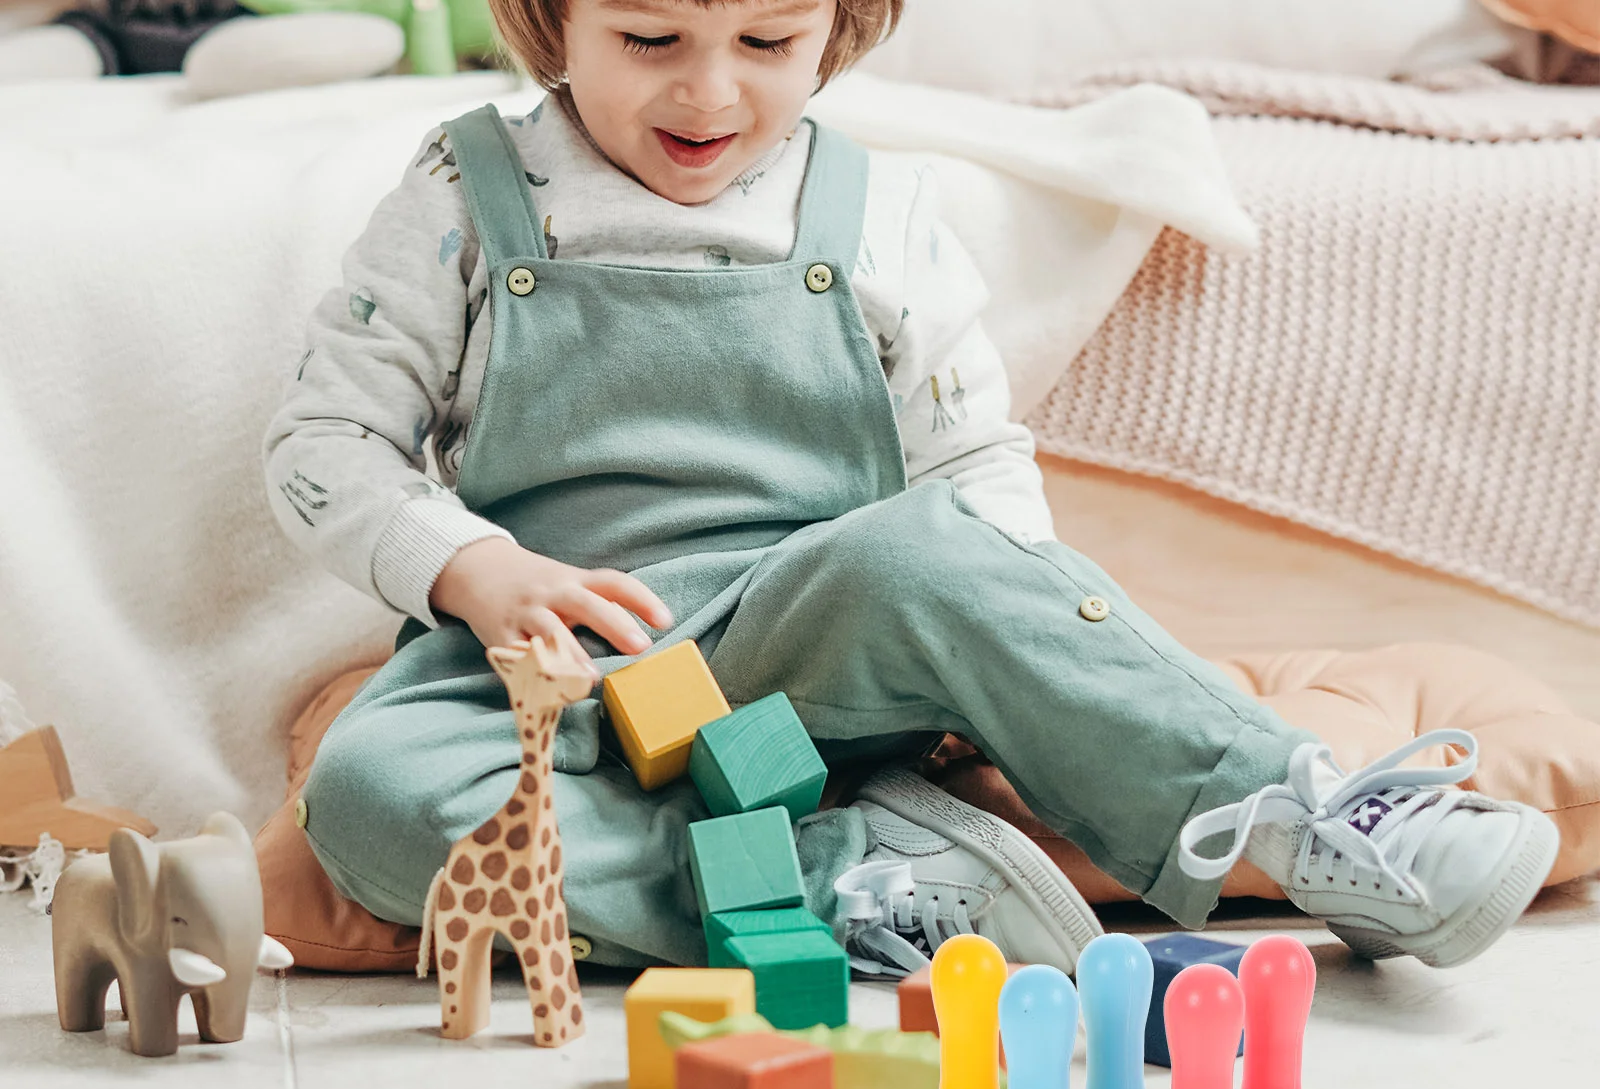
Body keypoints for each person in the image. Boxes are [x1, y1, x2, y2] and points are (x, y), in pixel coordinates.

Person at [262, 0, 1556, 979]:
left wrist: (1002, 653)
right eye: (652, 36)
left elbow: (971, 470)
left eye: (770, 40)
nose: (711, 92)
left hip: (798, 648)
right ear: (552, 17)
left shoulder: (875, 213)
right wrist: (473, 571)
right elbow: (325, 446)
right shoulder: (464, 196)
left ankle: (1300, 812)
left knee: (928, 550)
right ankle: (846, 877)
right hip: (543, 671)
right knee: (370, 797)